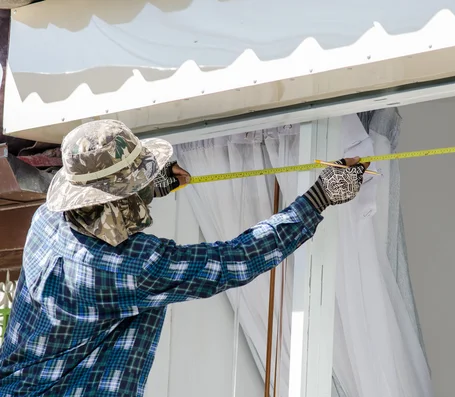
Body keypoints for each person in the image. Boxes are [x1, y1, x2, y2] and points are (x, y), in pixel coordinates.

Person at [0, 120, 369, 396]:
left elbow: (104, 209)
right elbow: (232, 261)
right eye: (137, 187)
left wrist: (147, 189)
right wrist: (318, 200)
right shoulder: (129, 268)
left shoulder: (47, 220)